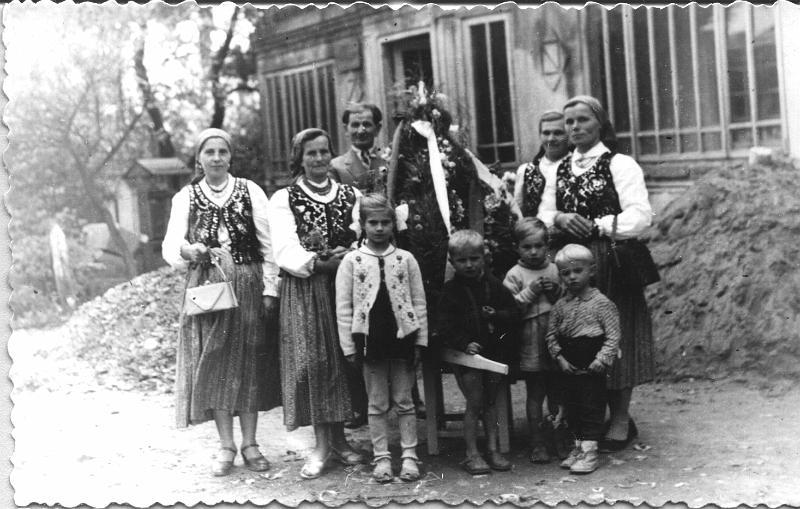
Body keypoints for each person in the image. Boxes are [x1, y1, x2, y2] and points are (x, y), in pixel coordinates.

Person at [538, 95, 654, 452]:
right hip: (572, 264)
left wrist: (598, 224)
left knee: (615, 334)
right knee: (576, 335)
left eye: (583, 120)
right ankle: (588, 415)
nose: (574, 128)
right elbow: (543, 212)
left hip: (611, 260)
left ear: (600, 124)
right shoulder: (560, 168)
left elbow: (640, 216)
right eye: (569, 121)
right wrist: (559, 218)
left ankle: (619, 418)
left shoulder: (620, 164)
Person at [162, 128, 281, 477]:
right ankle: (226, 446)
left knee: (248, 363)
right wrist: (188, 249)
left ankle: (251, 443)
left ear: (230, 156)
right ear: (198, 158)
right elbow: (170, 247)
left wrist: (270, 290)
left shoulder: (250, 191)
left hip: (247, 282)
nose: (216, 158)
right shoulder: (186, 197)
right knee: (214, 362)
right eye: (209, 152)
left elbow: (268, 245)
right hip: (208, 287)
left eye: (222, 152)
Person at [267, 128, 365, 479]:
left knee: (340, 361)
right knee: (314, 362)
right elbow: (285, 250)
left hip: (344, 286)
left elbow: (362, 236)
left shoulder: (350, 194)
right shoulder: (284, 198)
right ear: (300, 158)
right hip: (306, 288)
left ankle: (340, 441)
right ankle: (322, 445)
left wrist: (349, 256)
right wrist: (323, 262)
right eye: (312, 153)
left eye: (324, 151)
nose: (320, 159)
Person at [336, 194, 428, 483]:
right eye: (372, 223)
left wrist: (420, 340)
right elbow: (344, 307)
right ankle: (382, 458)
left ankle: (410, 456)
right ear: (361, 225)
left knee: (404, 399)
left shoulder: (405, 259)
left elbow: (418, 301)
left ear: (394, 224)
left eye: (384, 222)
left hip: (401, 337)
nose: (378, 228)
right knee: (376, 403)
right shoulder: (352, 261)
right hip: (370, 340)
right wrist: (349, 346)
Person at [437, 230, 520, 475]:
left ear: (483, 257)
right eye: (462, 260)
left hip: (493, 353)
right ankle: (471, 453)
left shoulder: (494, 285)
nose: (469, 265)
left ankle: (493, 449)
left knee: (491, 402)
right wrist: (464, 343)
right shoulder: (450, 291)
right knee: (475, 402)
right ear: (452, 262)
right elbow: (444, 326)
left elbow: (514, 314)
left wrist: (497, 315)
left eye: (474, 258)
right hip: (468, 358)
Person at [546, 244, 620, 474]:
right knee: (572, 407)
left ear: (592, 270)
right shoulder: (560, 306)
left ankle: (590, 452)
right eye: (566, 273)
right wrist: (559, 358)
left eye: (578, 270)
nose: (572, 277)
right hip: (569, 363)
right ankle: (577, 448)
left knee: (591, 407)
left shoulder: (602, 304)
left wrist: (602, 359)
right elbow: (550, 335)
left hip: (592, 363)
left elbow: (613, 335)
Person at [502, 217, 562, 464]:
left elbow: (566, 298)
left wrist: (554, 290)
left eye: (539, 246)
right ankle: (537, 442)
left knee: (558, 391)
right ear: (517, 247)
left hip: (556, 335)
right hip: (530, 337)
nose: (534, 252)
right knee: (535, 392)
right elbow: (509, 306)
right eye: (527, 247)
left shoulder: (555, 269)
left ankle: (559, 437)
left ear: (547, 245)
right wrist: (531, 291)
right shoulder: (515, 274)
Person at [514, 110, 570, 218]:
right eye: (546, 133)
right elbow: (518, 215)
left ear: (568, 135)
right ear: (540, 135)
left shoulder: (578, 167)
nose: (551, 139)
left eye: (558, 133)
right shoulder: (526, 170)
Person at [330, 103, 386, 193]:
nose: (360, 131)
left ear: (377, 129)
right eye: (355, 125)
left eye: (367, 124)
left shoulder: (389, 161)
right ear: (346, 129)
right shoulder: (335, 167)